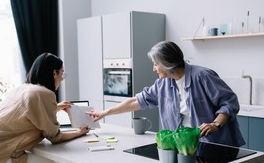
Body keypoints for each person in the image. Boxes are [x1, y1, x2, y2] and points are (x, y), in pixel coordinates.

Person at [88, 41, 245, 147]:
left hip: (214, 145)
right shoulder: (163, 84)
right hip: (186, 146)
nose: (154, 68)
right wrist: (104, 113)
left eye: (156, 64)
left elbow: (229, 102)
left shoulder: (202, 76)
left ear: (166, 64)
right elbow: (136, 101)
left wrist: (215, 124)